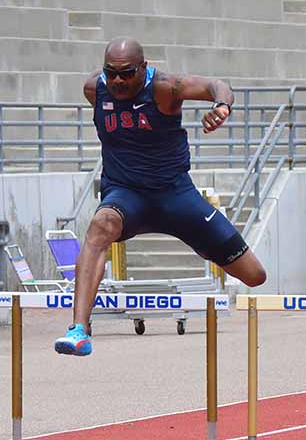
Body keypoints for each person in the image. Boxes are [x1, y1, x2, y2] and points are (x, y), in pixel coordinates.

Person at [54, 37, 267, 357]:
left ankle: (206, 242)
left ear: (144, 67)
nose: (117, 81)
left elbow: (215, 84)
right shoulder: (93, 90)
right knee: (101, 224)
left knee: (254, 276)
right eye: (110, 73)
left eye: (126, 74)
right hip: (126, 195)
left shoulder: (165, 88)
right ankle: (79, 331)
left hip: (176, 196)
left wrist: (221, 107)